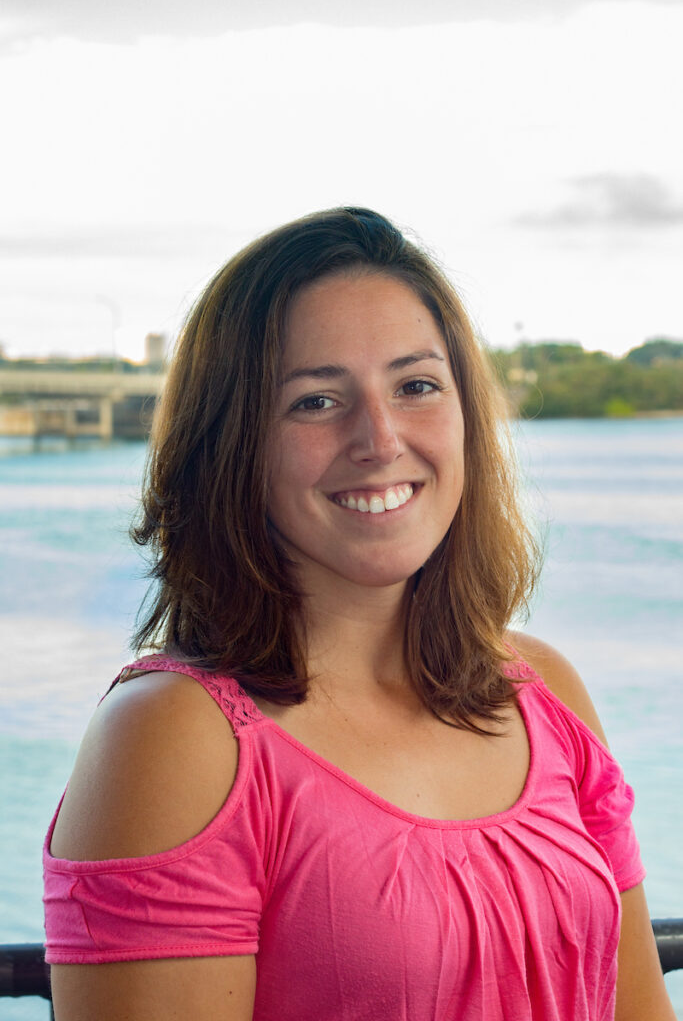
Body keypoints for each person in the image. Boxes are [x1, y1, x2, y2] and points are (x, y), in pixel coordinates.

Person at [43, 207, 675, 1020]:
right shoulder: (174, 739)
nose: (378, 438)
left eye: (415, 386)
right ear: (233, 441)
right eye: (314, 401)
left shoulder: (542, 690)